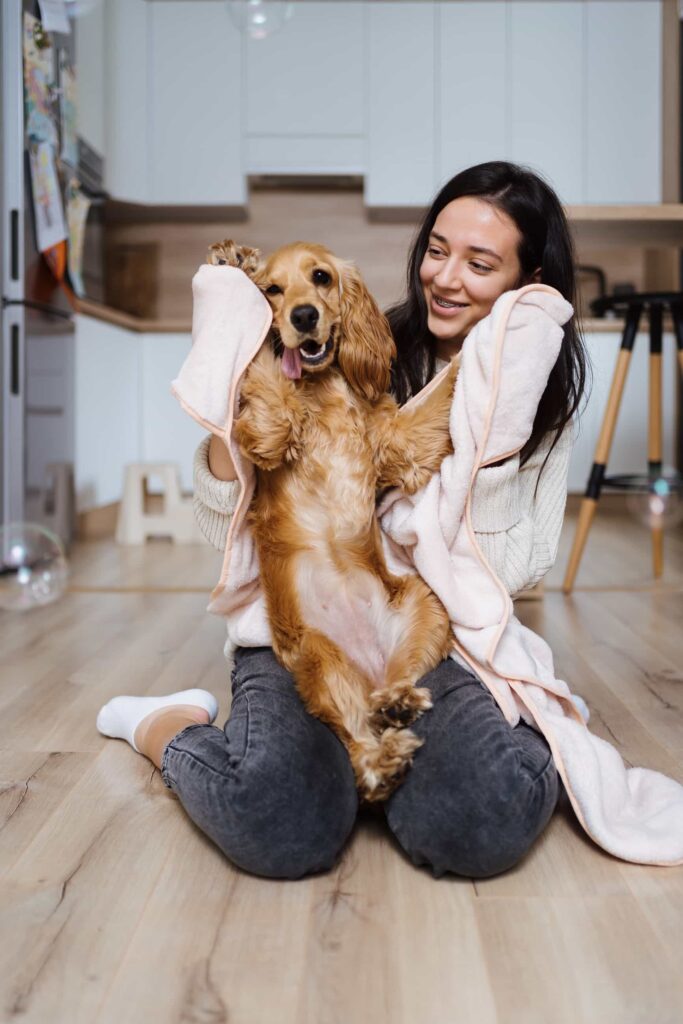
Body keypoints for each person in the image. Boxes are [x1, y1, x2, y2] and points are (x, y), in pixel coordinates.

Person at [97, 161, 588, 880]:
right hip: (296, 627)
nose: (445, 278)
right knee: (278, 827)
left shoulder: (535, 395)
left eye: (479, 263)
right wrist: (233, 395)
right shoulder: (357, 352)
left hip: (425, 637)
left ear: (527, 281)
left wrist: (495, 421)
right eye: (436, 250)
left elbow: (517, 567)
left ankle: (488, 747)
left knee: (484, 824)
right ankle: (167, 724)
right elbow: (227, 532)